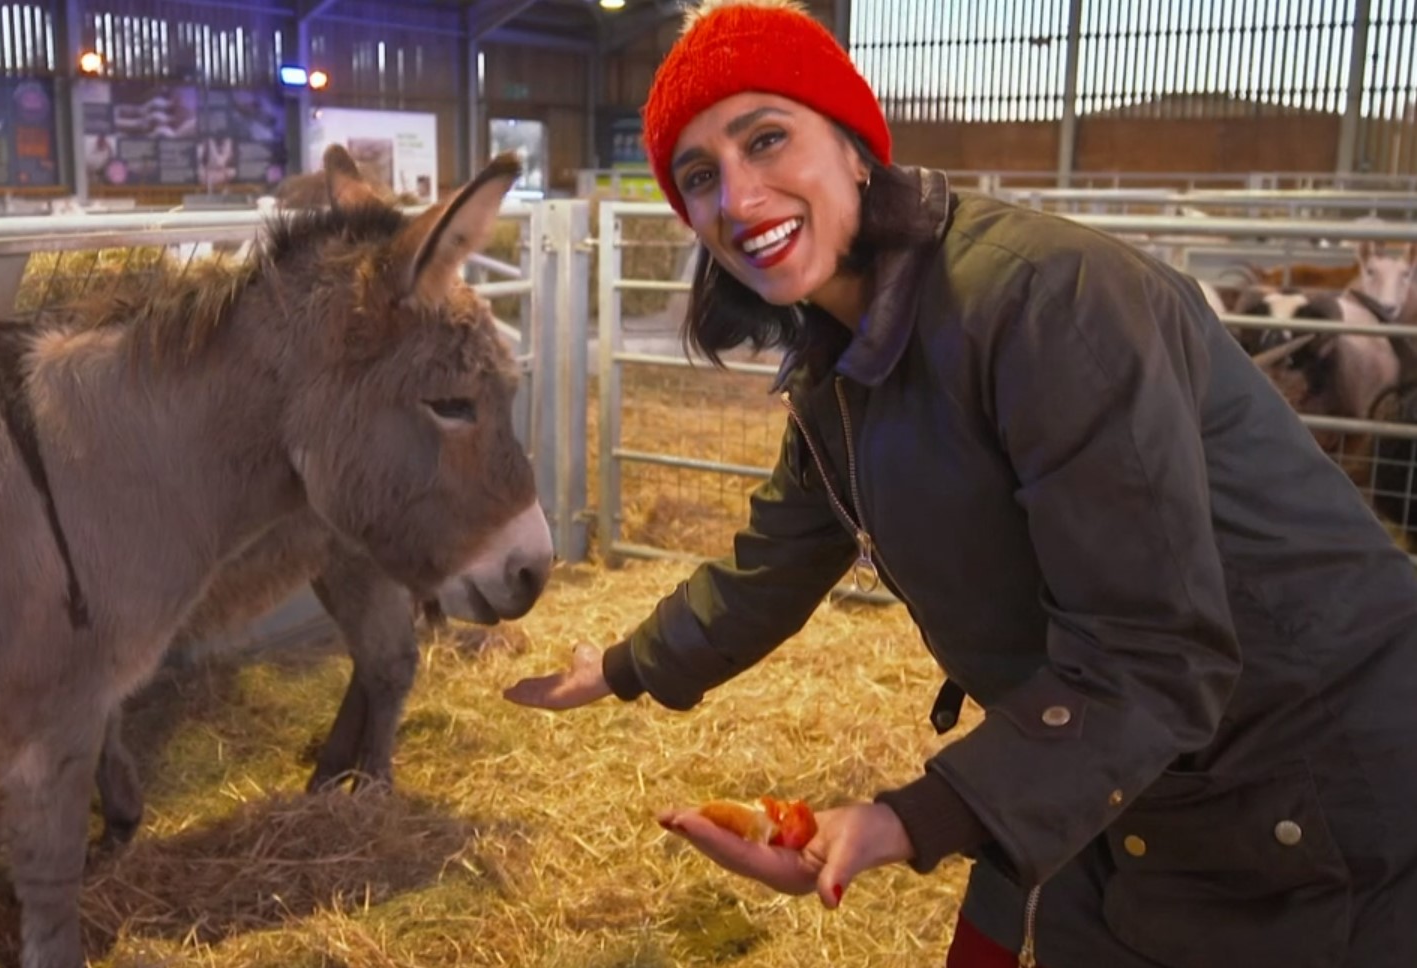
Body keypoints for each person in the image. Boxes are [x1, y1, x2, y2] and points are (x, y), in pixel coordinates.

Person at [501, 1, 1417, 966]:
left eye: (766, 139)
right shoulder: (840, 364)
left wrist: (908, 818)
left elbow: (1157, 652)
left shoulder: (1044, 305)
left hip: (1304, 769)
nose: (736, 195)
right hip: (1107, 758)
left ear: (854, 147)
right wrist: (622, 666)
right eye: (698, 177)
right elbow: (775, 560)